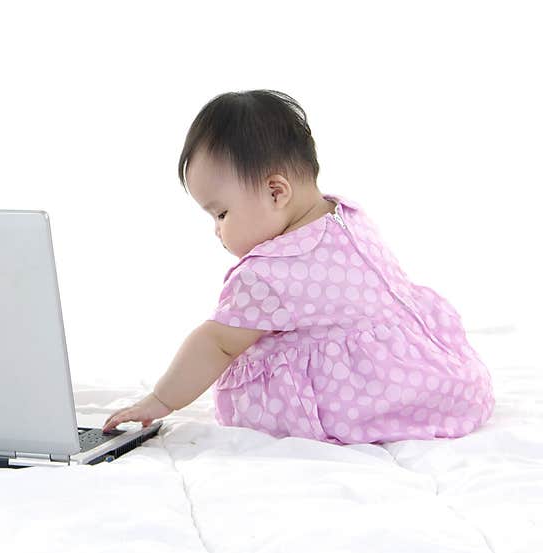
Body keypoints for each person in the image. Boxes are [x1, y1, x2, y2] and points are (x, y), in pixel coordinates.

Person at [102, 89, 494, 445]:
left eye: (221, 213)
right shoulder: (348, 216)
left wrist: (160, 400)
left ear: (277, 191)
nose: (217, 231)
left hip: (356, 397)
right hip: (433, 374)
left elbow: (216, 343)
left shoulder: (266, 275)